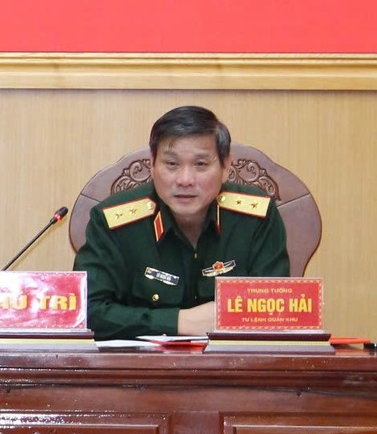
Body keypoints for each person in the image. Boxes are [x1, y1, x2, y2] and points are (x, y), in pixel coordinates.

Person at [72, 105, 289, 340]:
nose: (185, 180)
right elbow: (86, 312)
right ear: (152, 164)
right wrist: (178, 321)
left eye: (201, 164)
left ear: (226, 166)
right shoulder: (113, 221)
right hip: (143, 363)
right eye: (172, 164)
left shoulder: (256, 217)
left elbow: (274, 309)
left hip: (234, 362)